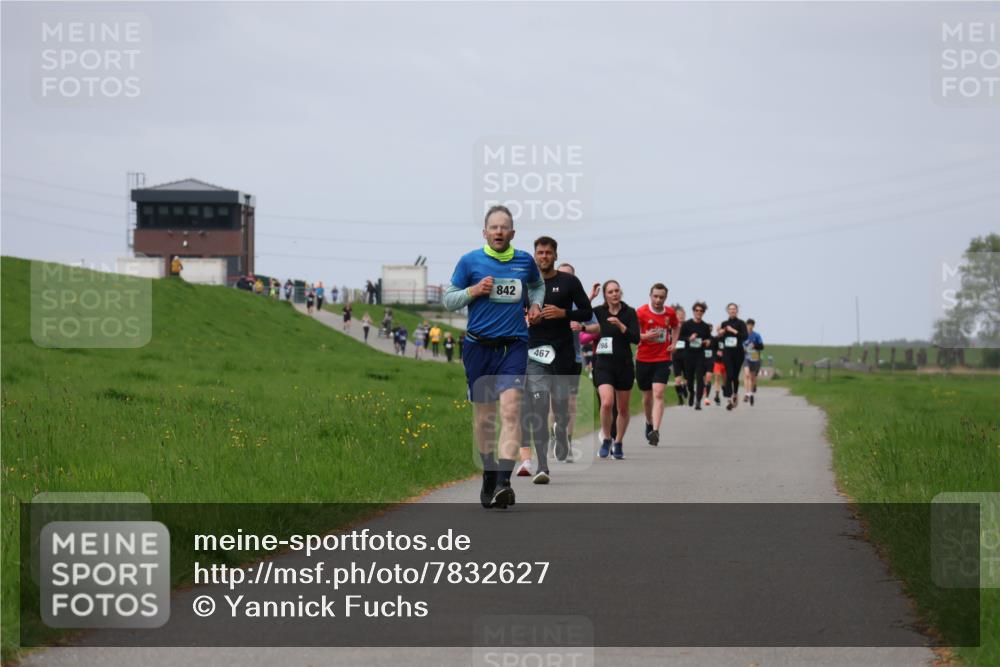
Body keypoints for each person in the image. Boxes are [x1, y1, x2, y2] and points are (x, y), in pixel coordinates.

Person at [443, 204, 544, 509]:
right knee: (484, 419)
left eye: (505, 227)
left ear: (512, 233)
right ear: (485, 232)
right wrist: (473, 291)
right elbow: (449, 300)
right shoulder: (469, 261)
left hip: (513, 346)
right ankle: (489, 474)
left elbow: (537, 286)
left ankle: (503, 481)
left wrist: (536, 305)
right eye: (494, 227)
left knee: (511, 411)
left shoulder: (524, 261)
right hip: (478, 348)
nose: (499, 231)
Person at [518, 237, 592, 483]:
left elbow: (586, 311)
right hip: (534, 351)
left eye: (548, 253)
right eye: (540, 253)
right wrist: (528, 317)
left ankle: (560, 429)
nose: (544, 257)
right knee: (539, 405)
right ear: (534, 255)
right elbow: (515, 312)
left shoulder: (569, 282)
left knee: (561, 406)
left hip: (562, 352)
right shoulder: (526, 283)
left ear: (555, 256)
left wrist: (564, 313)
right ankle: (542, 466)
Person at [585, 280, 639, 460]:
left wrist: (621, 325)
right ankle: (607, 438)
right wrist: (590, 296)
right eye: (610, 292)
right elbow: (581, 313)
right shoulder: (599, 312)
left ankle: (619, 441)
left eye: (617, 291)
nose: (615, 294)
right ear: (605, 295)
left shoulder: (629, 312)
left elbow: (636, 338)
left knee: (622, 408)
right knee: (607, 403)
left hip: (624, 364)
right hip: (603, 364)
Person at [635, 283, 680, 447]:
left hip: (662, 358)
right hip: (643, 358)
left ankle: (656, 430)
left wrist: (674, 343)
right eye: (655, 296)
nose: (658, 300)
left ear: (665, 298)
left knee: (659, 393)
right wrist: (645, 336)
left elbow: (676, 326)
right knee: (647, 397)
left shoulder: (670, 313)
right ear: (650, 295)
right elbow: (633, 334)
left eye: (661, 297)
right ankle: (648, 421)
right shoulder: (640, 312)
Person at [679, 302, 713, 411]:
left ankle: (698, 401)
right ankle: (691, 393)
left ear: (703, 312)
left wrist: (708, 341)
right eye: (696, 310)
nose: (698, 312)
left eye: (701, 311)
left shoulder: (705, 326)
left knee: (700, 379)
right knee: (689, 379)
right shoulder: (687, 324)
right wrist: (689, 338)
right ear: (693, 311)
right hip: (688, 355)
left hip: (700, 356)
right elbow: (680, 337)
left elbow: (709, 338)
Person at [718, 303, 749, 411]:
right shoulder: (724, 323)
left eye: (734, 309)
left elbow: (745, 336)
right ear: (727, 311)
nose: (732, 311)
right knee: (729, 375)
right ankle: (729, 399)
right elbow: (720, 338)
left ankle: (735, 394)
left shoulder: (741, 323)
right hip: (727, 353)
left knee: (735, 376)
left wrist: (733, 331)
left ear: (737, 311)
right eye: (730, 309)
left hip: (738, 353)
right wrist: (721, 333)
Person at [742, 318, 764, 406]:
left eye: (751, 325)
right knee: (746, 375)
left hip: (755, 358)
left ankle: (752, 389)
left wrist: (755, 345)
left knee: (752, 377)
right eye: (748, 325)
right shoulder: (743, 335)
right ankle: (747, 394)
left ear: (753, 326)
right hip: (746, 358)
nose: (749, 327)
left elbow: (762, 346)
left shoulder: (757, 335)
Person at [671, 305, 688, 405]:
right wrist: (672, 346)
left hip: (687, 356)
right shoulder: (672, 327)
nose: (681, 316)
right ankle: (680, 398)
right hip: (676, 355)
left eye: (683, 315)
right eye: (679, 315)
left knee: (687, 379)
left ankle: (685, 388)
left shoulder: (688, 326)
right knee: (677, 379)